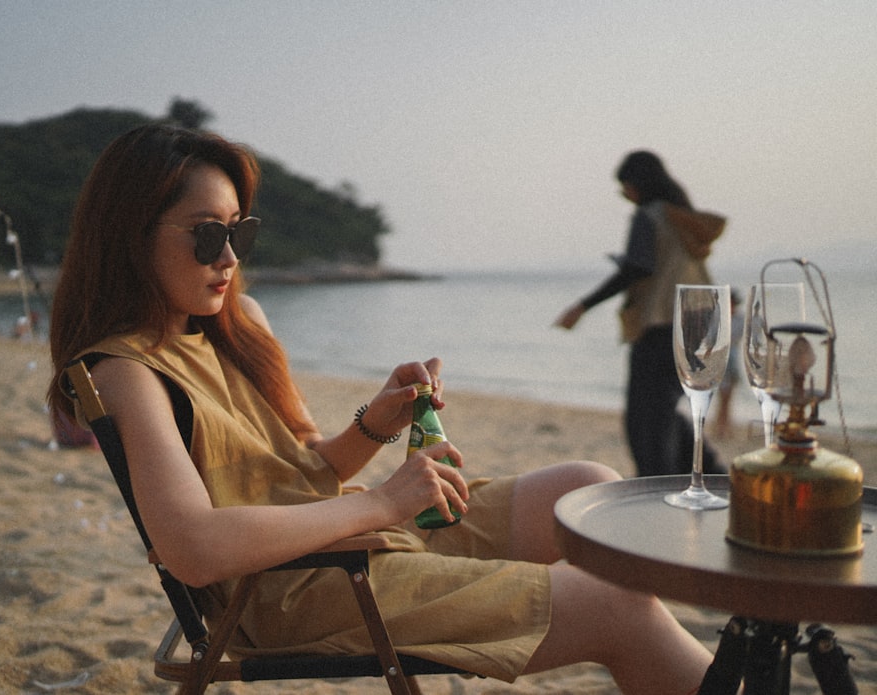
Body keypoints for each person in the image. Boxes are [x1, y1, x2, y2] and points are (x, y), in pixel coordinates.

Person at [47, 126, 713, 694]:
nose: (227, 258)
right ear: (130, 236)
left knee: (589, 489)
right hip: (292, 589)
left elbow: (308, 467)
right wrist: (385, 503)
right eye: (204, 236)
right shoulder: (127, 370)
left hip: (346, 540)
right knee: (618, 602)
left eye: (238, 234)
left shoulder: (238, 324)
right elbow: (193, 549)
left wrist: (377, 422)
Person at [555, 150, 727, 477]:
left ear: (638, 185)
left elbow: (638, 268)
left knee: (644, 424)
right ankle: (717, 474)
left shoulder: (649, 216)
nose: (625, 196)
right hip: (703, 323)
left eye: (625, 188)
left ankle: (654, 491)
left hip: (663, 327)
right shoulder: (685, 220)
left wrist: (582, 306)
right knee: (665, 413)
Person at [713, 288, 745, 439]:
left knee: (729, 396)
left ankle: (725, 425)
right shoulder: (719, 318)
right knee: (722, 396)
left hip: (733, 358)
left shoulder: (739, 318)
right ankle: (720, 426)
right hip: (722, 358)